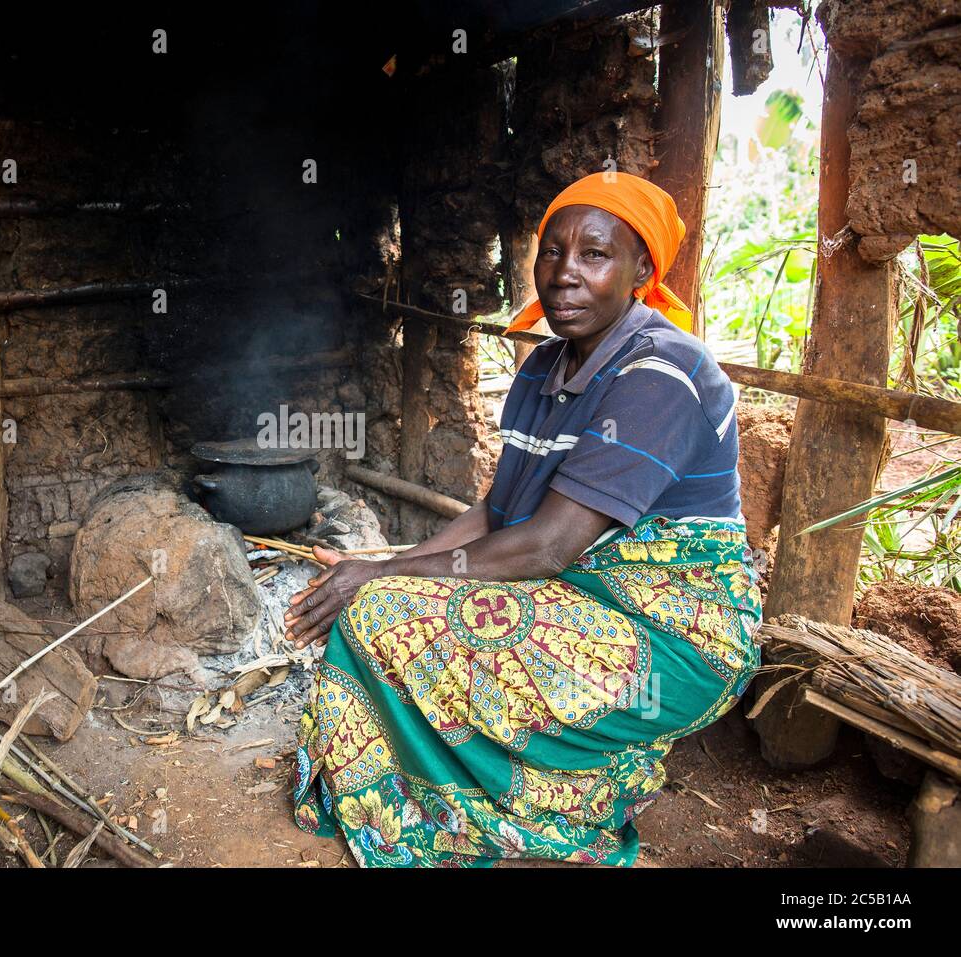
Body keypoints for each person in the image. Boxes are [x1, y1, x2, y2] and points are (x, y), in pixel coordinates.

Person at [283, 171, 761, 867]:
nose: (565, 274)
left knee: (384, 613)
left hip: (680, 632)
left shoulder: (661, 371)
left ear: (642, 271)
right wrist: (383, 569)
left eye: (595, 255)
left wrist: (382, 580)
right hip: (577, 597)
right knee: (382, 606)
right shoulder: (543, 369)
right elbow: (497, 512)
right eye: (552, 252)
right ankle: (446, 788)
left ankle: (526, 799)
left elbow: (546, 545)